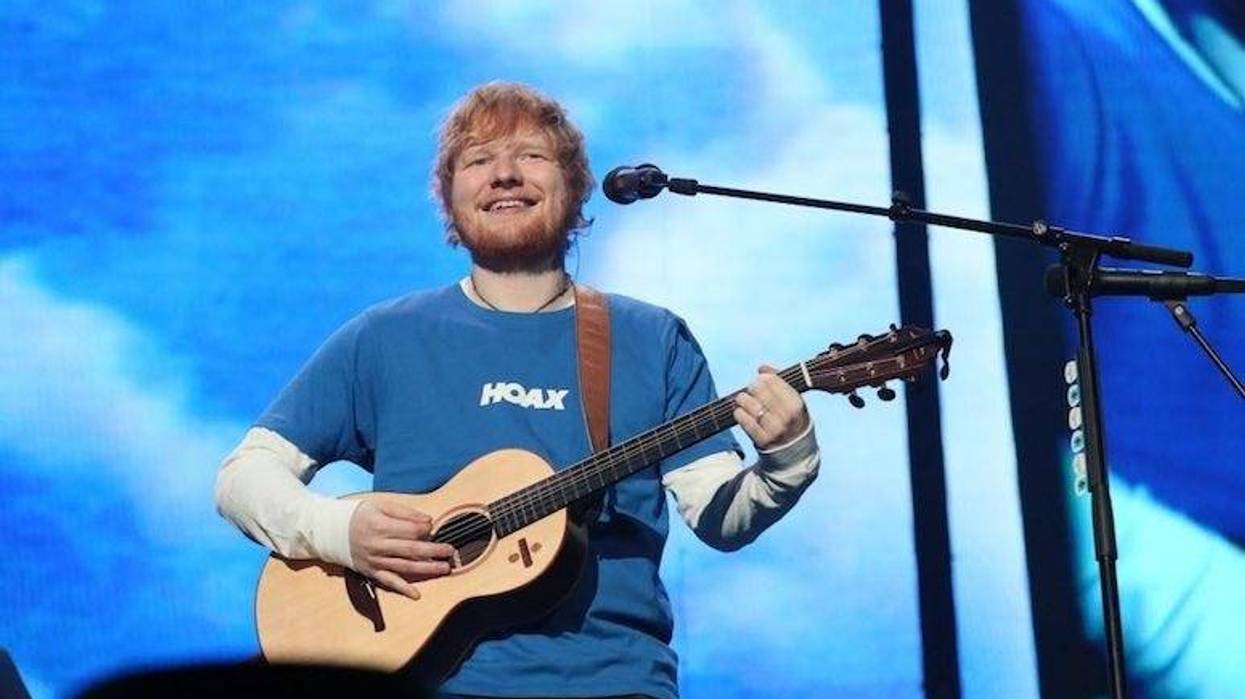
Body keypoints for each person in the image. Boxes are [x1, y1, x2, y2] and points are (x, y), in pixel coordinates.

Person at [215, 81, 821, 699]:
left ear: (576, 187)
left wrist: (787, 457)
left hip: (613, 682)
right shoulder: (385, 337)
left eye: (531, 155)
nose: (504, 174)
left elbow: (721, 516)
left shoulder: (651, 337)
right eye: (478, 161)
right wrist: (338, 532)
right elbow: (244, 478)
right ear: (450, 203)